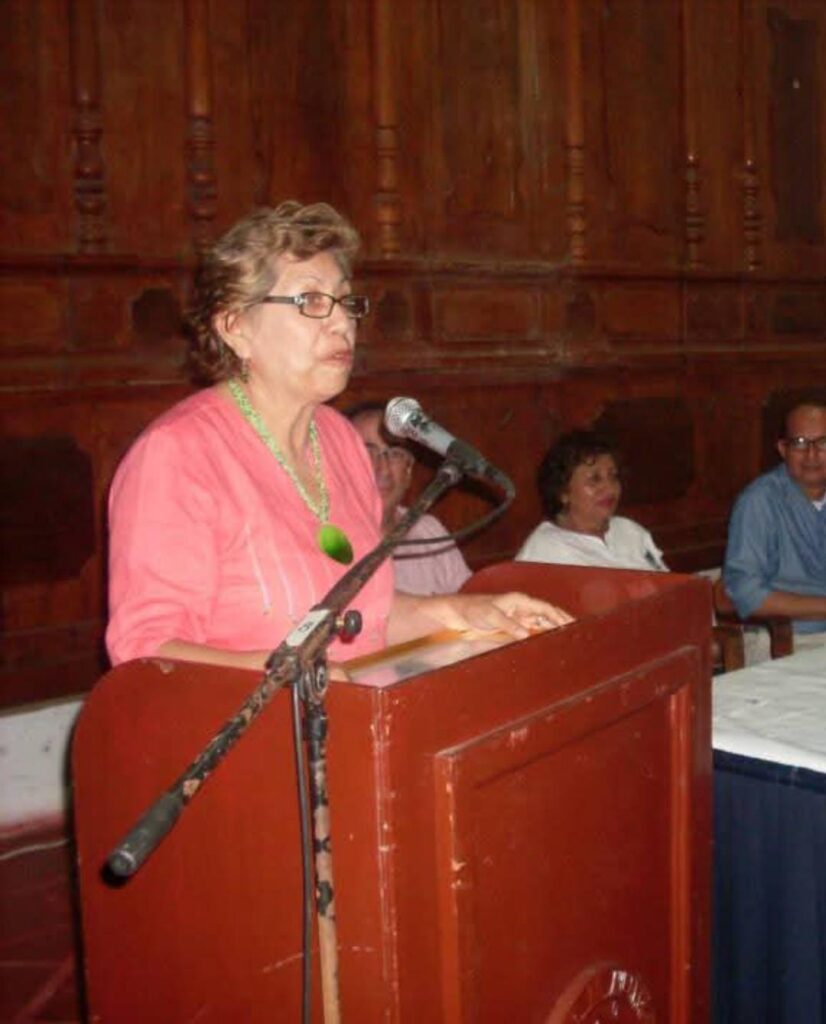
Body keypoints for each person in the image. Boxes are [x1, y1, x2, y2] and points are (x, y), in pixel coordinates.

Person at [106, 201, 572, 671]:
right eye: (310, 301)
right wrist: (301, 682)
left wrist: (464, 613)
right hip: (256, 719)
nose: (342, 322)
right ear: (236, 326)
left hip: (358, 710)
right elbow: (146, 651)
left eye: (346, 301)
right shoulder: (177, 455)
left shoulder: (340, 440)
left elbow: (365, 620)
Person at [723, 401, 826, 646]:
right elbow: (745, 593)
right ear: (782, 449)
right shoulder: (759, 501)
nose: (812, 454)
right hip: (787, 639)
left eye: (823, 443)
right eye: (799, 443)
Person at [347, 402, 472, 595]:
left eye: (395, 454)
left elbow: (468, 598)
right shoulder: (327, 539)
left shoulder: (428, 531)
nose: (383, 469)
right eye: (368, 452)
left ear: (408, 472)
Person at [516, 430, 667, 571]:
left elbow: (667, 583)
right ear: (562, 491)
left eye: (613, 476)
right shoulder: (542, 552)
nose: (610, 488)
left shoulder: (629, 531)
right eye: (595, 479)